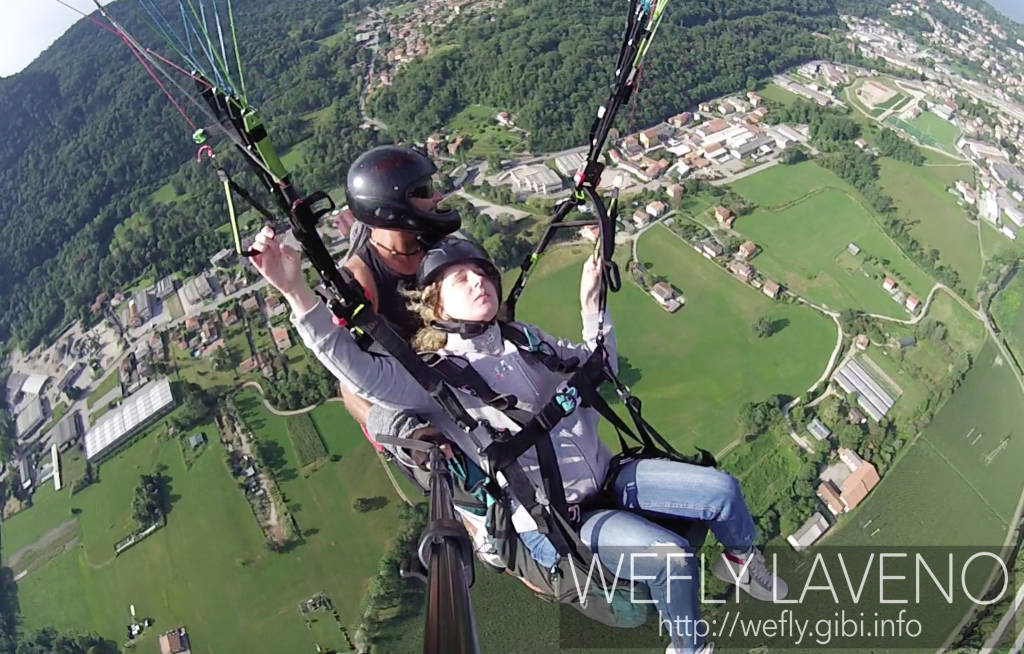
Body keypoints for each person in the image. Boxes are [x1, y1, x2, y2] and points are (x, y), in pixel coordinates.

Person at [252, 233, 787, 654]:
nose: (478, 280)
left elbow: (598, 367)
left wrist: (591, 305)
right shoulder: (435, 379)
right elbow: (360, 371)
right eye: (459, 278)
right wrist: (295, 292)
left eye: (482, 272)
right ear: (435, 302)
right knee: (671, 559)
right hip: (562, 518)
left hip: (608, 477)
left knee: (721, 491)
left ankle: (740, 560)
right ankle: (689, 646)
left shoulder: (527, 341)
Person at [332, 145, 458, 432]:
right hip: (418, 394)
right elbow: (350, 382)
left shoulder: (433, 246)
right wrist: (403, 431)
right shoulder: (362, 280)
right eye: (425, 191)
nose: (437, 197)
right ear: (391, 210)